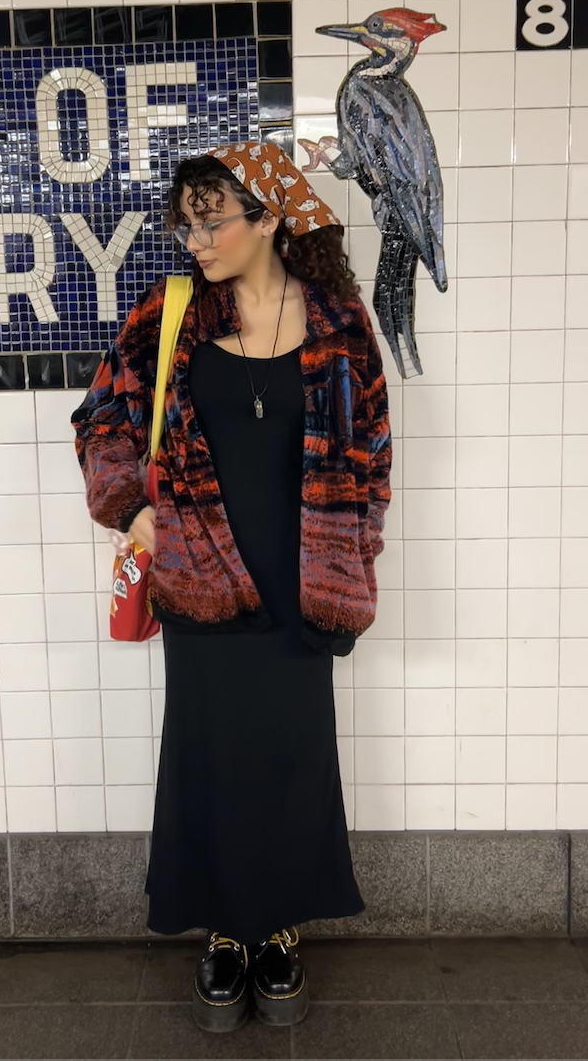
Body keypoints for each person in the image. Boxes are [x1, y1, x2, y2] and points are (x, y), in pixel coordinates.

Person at [72, 141, 391, 1033]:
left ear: (270, 219)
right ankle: (221, 932)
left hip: (304, 581)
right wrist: (134, 511)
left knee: (292, 755)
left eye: (213, 222)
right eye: (188, 224)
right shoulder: (169, 311)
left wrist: (355, 560)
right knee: (208, 754)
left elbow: (371, 458)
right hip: (201, 577)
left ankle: (279, 929)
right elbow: (102, 418)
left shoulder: (338, 323)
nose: (197, 240)